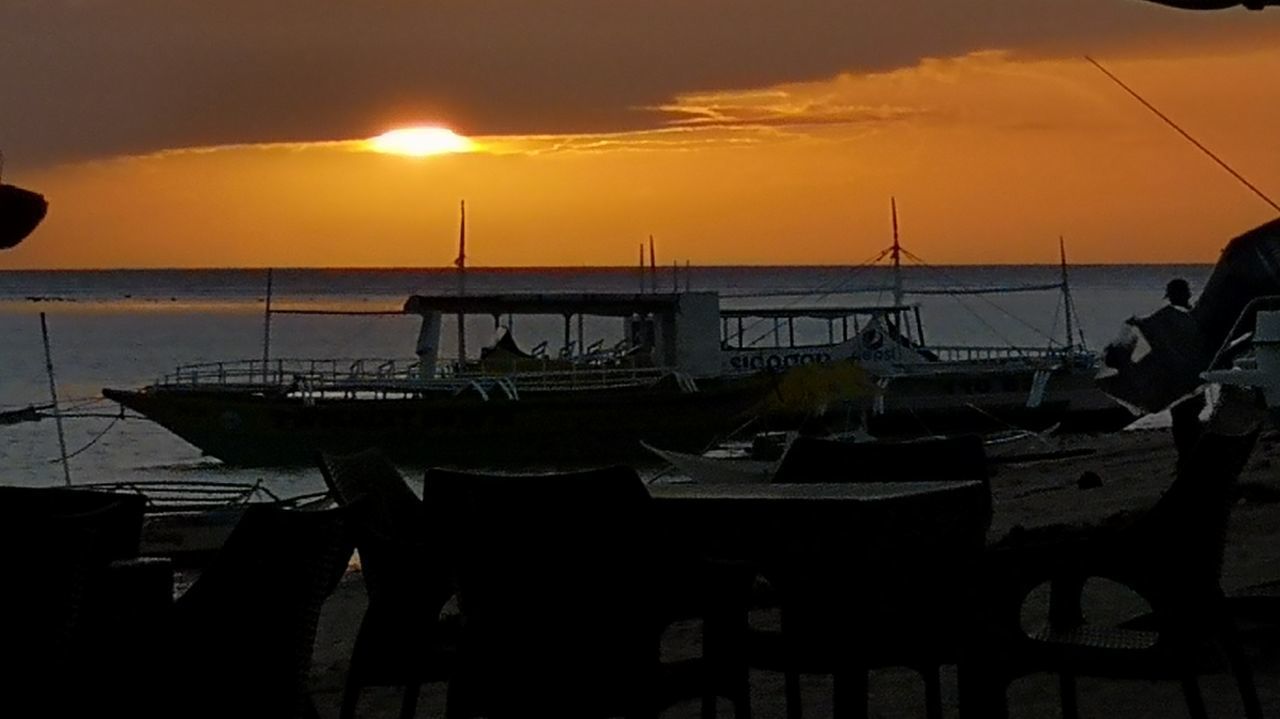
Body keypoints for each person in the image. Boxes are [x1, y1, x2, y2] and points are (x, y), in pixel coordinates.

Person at [1164, 277, 1206, 461]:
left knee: (1184, 421)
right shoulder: (1193, 316)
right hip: (1183, 380)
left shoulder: (1185, 317)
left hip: (1184, 380)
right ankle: (1188, 457)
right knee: (1185, 421)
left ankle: (1189, 458)